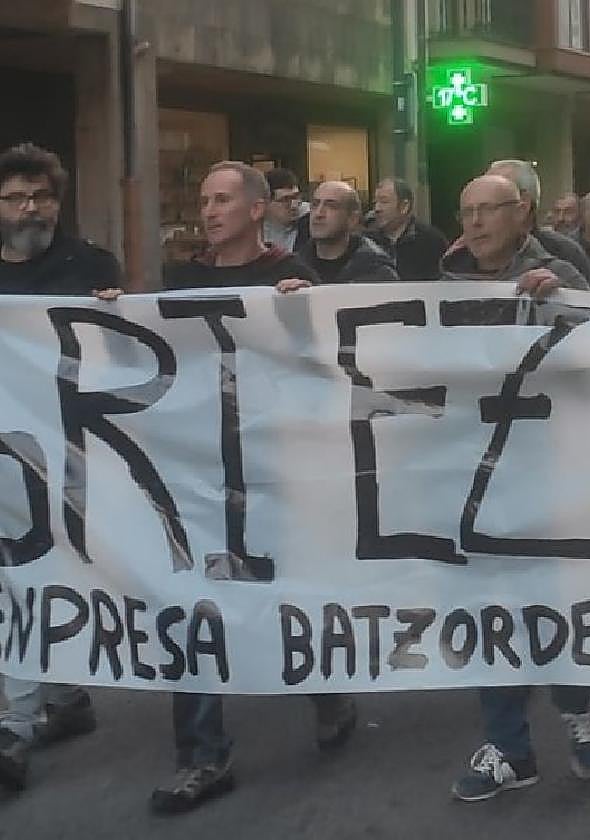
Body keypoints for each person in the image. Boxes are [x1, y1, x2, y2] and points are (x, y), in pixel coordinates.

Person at [148, 161, 358, 815]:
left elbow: (323, 366)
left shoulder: (287, 280)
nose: (208, 211)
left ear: (259, 210)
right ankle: (203, 756)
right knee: (192, 599)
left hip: (272, 468)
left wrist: (304, 314)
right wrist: (105, 315)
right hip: (196, 467)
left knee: (279, 592)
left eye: (222, 199)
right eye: (203, 200)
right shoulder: (182, 280)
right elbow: (151, 350)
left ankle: (325, 690)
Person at [444, 175, 590, 802]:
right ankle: (509, 747)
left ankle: (575, 708)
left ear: (522, 214)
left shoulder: (562, 268)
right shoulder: (447, 275)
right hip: (470, 471)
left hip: (548, 468)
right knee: (489, 609)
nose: (476, 224)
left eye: (489, 211)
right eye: (468, 211)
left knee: (550, 604)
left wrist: (564, 302)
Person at [0, 143, 119, 791]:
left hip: (75, 453)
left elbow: (126, 348)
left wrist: (116, 309)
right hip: (4, 457)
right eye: (16, 196)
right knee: (14, 577)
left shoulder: (89, 265)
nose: (30, 208)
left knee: (61, 571)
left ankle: (66, 699)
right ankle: (18, 725)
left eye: (42, 195)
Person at [486, 159, 590, 287]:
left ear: (523, 204)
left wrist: (563, 292)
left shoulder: (565, 253)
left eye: (490, 203)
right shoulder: (463, 255)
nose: (476, 219)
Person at [297, 180, 399, 284]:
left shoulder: (377, 271)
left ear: (352, 218)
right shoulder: (294, 267)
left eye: (331, 206)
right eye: (314, 205)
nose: (318, 214)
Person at [367, 176, 448, 281]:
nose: (377, 209)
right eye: (375, 203)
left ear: (404, 206)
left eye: (384, 202)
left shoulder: (432, 240)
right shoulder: (368, 241)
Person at [262, 168, 310, 253]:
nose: (294, 205)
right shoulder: (253, 231)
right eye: (286, 199)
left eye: (296, 197)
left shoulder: (311, 217)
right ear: (266, 204)